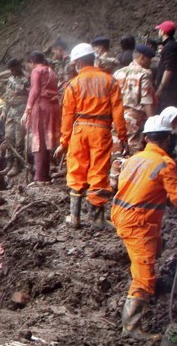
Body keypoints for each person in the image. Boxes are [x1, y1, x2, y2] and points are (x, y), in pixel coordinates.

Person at [111, 115, 177, 334]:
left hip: (122, 214)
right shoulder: (165, 163)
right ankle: (132, 328)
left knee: (155, 248)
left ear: (146, 138)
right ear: (167, 140)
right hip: (138, 222)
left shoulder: (136, 158)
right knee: (143, 276)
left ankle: (150, 288)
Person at [55, 43, 128, 228]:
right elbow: (118, 113)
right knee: (98, 172)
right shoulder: (110, 81)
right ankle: (97, 219)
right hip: (101, 130)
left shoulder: (73, 84)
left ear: (78, 62)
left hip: (79, 130)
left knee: (77, 170)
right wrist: (123, 136)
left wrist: (64, 142)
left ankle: (75, 217)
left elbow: (67, 116)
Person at [21, 51, 61, 184]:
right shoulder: (51, 71)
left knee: (39, 140)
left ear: (32, 62)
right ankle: (45, 174)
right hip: (53, 107)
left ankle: (40, 176)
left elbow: (35, 90)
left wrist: (27, 110)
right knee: (47, 139)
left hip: (41, 106)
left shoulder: (37, 71)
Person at [113, 44, 158, 154]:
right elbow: (147, 100)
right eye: (149, 60)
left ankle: (116, 171)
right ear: (142, 57)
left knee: (117, 151)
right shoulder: (145, 74)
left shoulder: (118, 73)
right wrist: (153, 123)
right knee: (134, 152)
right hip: (134, 119)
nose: (150, 63)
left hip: (117, 117)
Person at [155, 20, 177, 110]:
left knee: (166, 113)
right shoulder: (174, 45)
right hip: (173, 89)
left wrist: (160, 88)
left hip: (168, 91)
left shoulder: (169, 47)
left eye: (159, 30)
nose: (158, 32)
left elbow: (168, 69)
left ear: (163, 32)